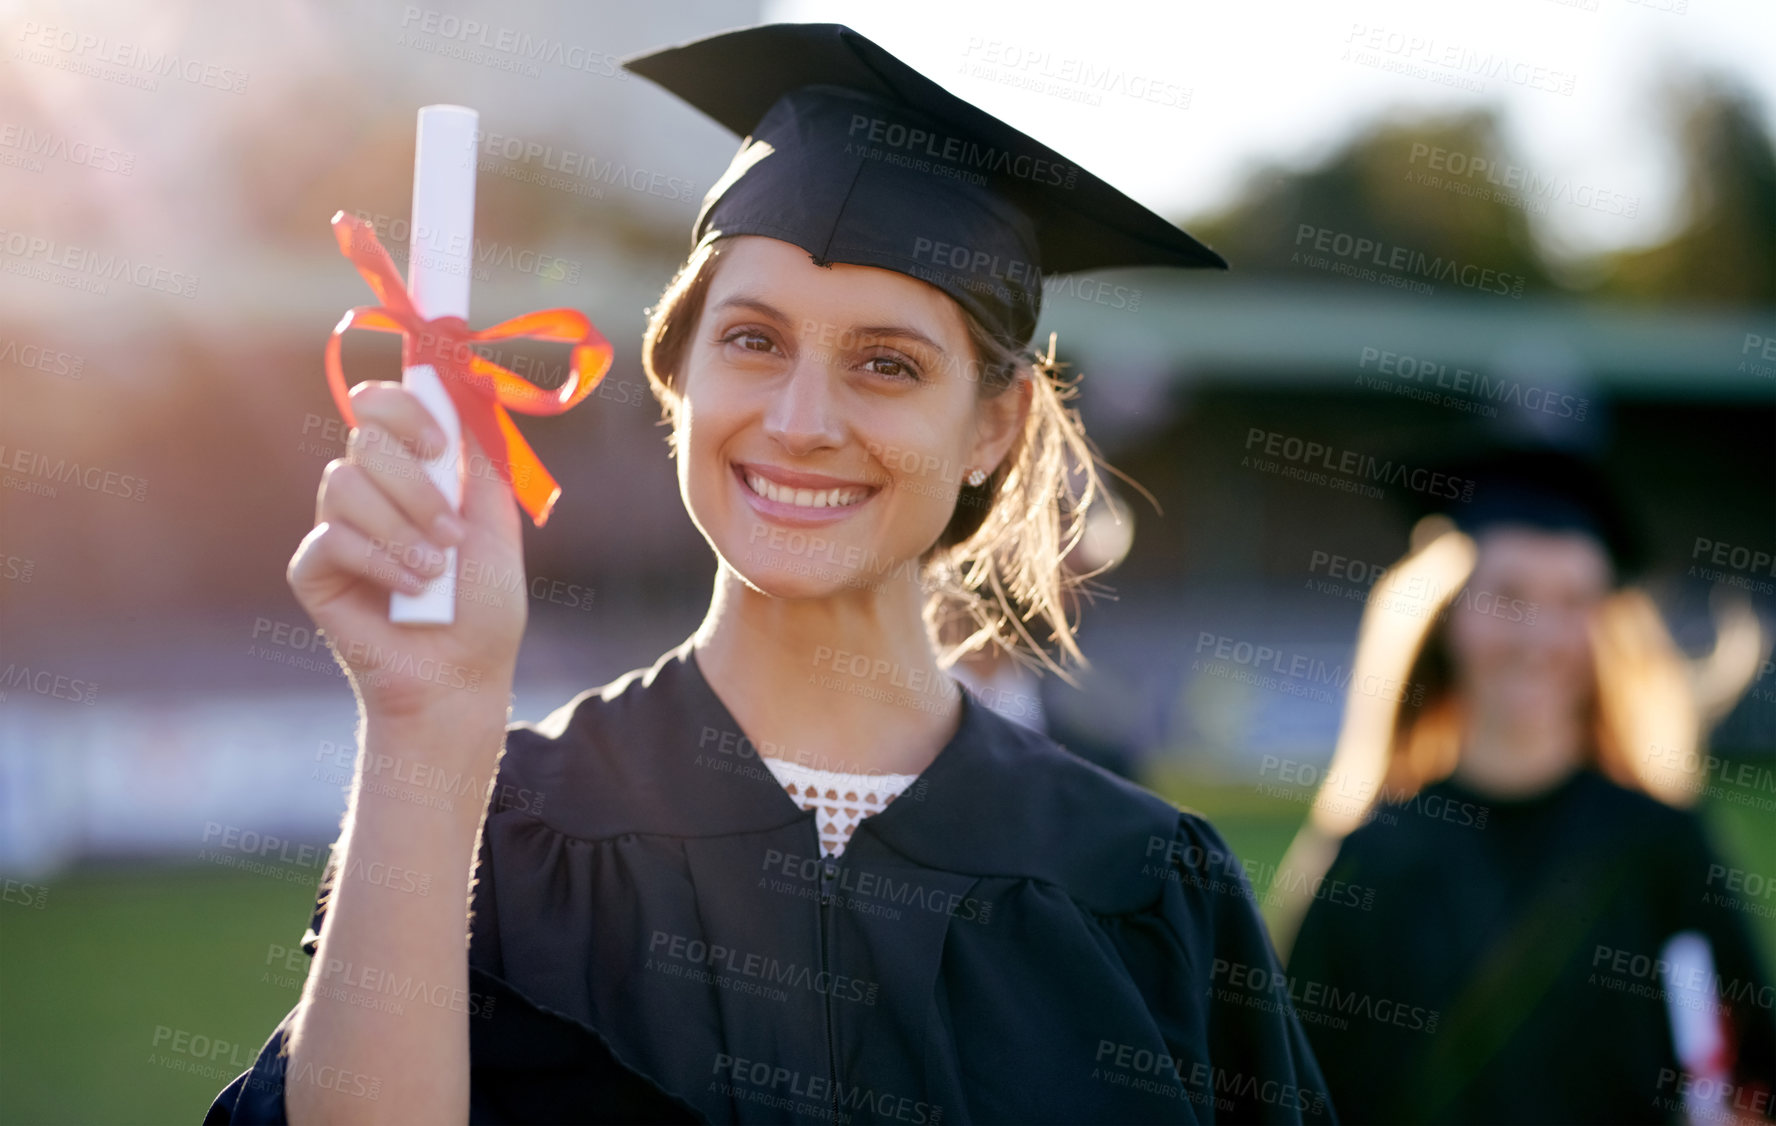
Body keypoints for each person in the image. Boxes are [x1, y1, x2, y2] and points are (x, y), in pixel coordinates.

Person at [207, 23, 1334, 1125]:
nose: (800, 420)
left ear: (996, 423)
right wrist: (425, 722)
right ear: (675, 370)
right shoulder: (501, 837)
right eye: (753, 340)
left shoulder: (1139, 888)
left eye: (886, 364)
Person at [1275, 446, 1775, 1124]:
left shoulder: (1661, 847)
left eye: (1574, 600)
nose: (1539, 635)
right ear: (1451, 612)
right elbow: (1295, 1092)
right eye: (1509, 596)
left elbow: (1748, 1071)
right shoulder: (1371, 858)